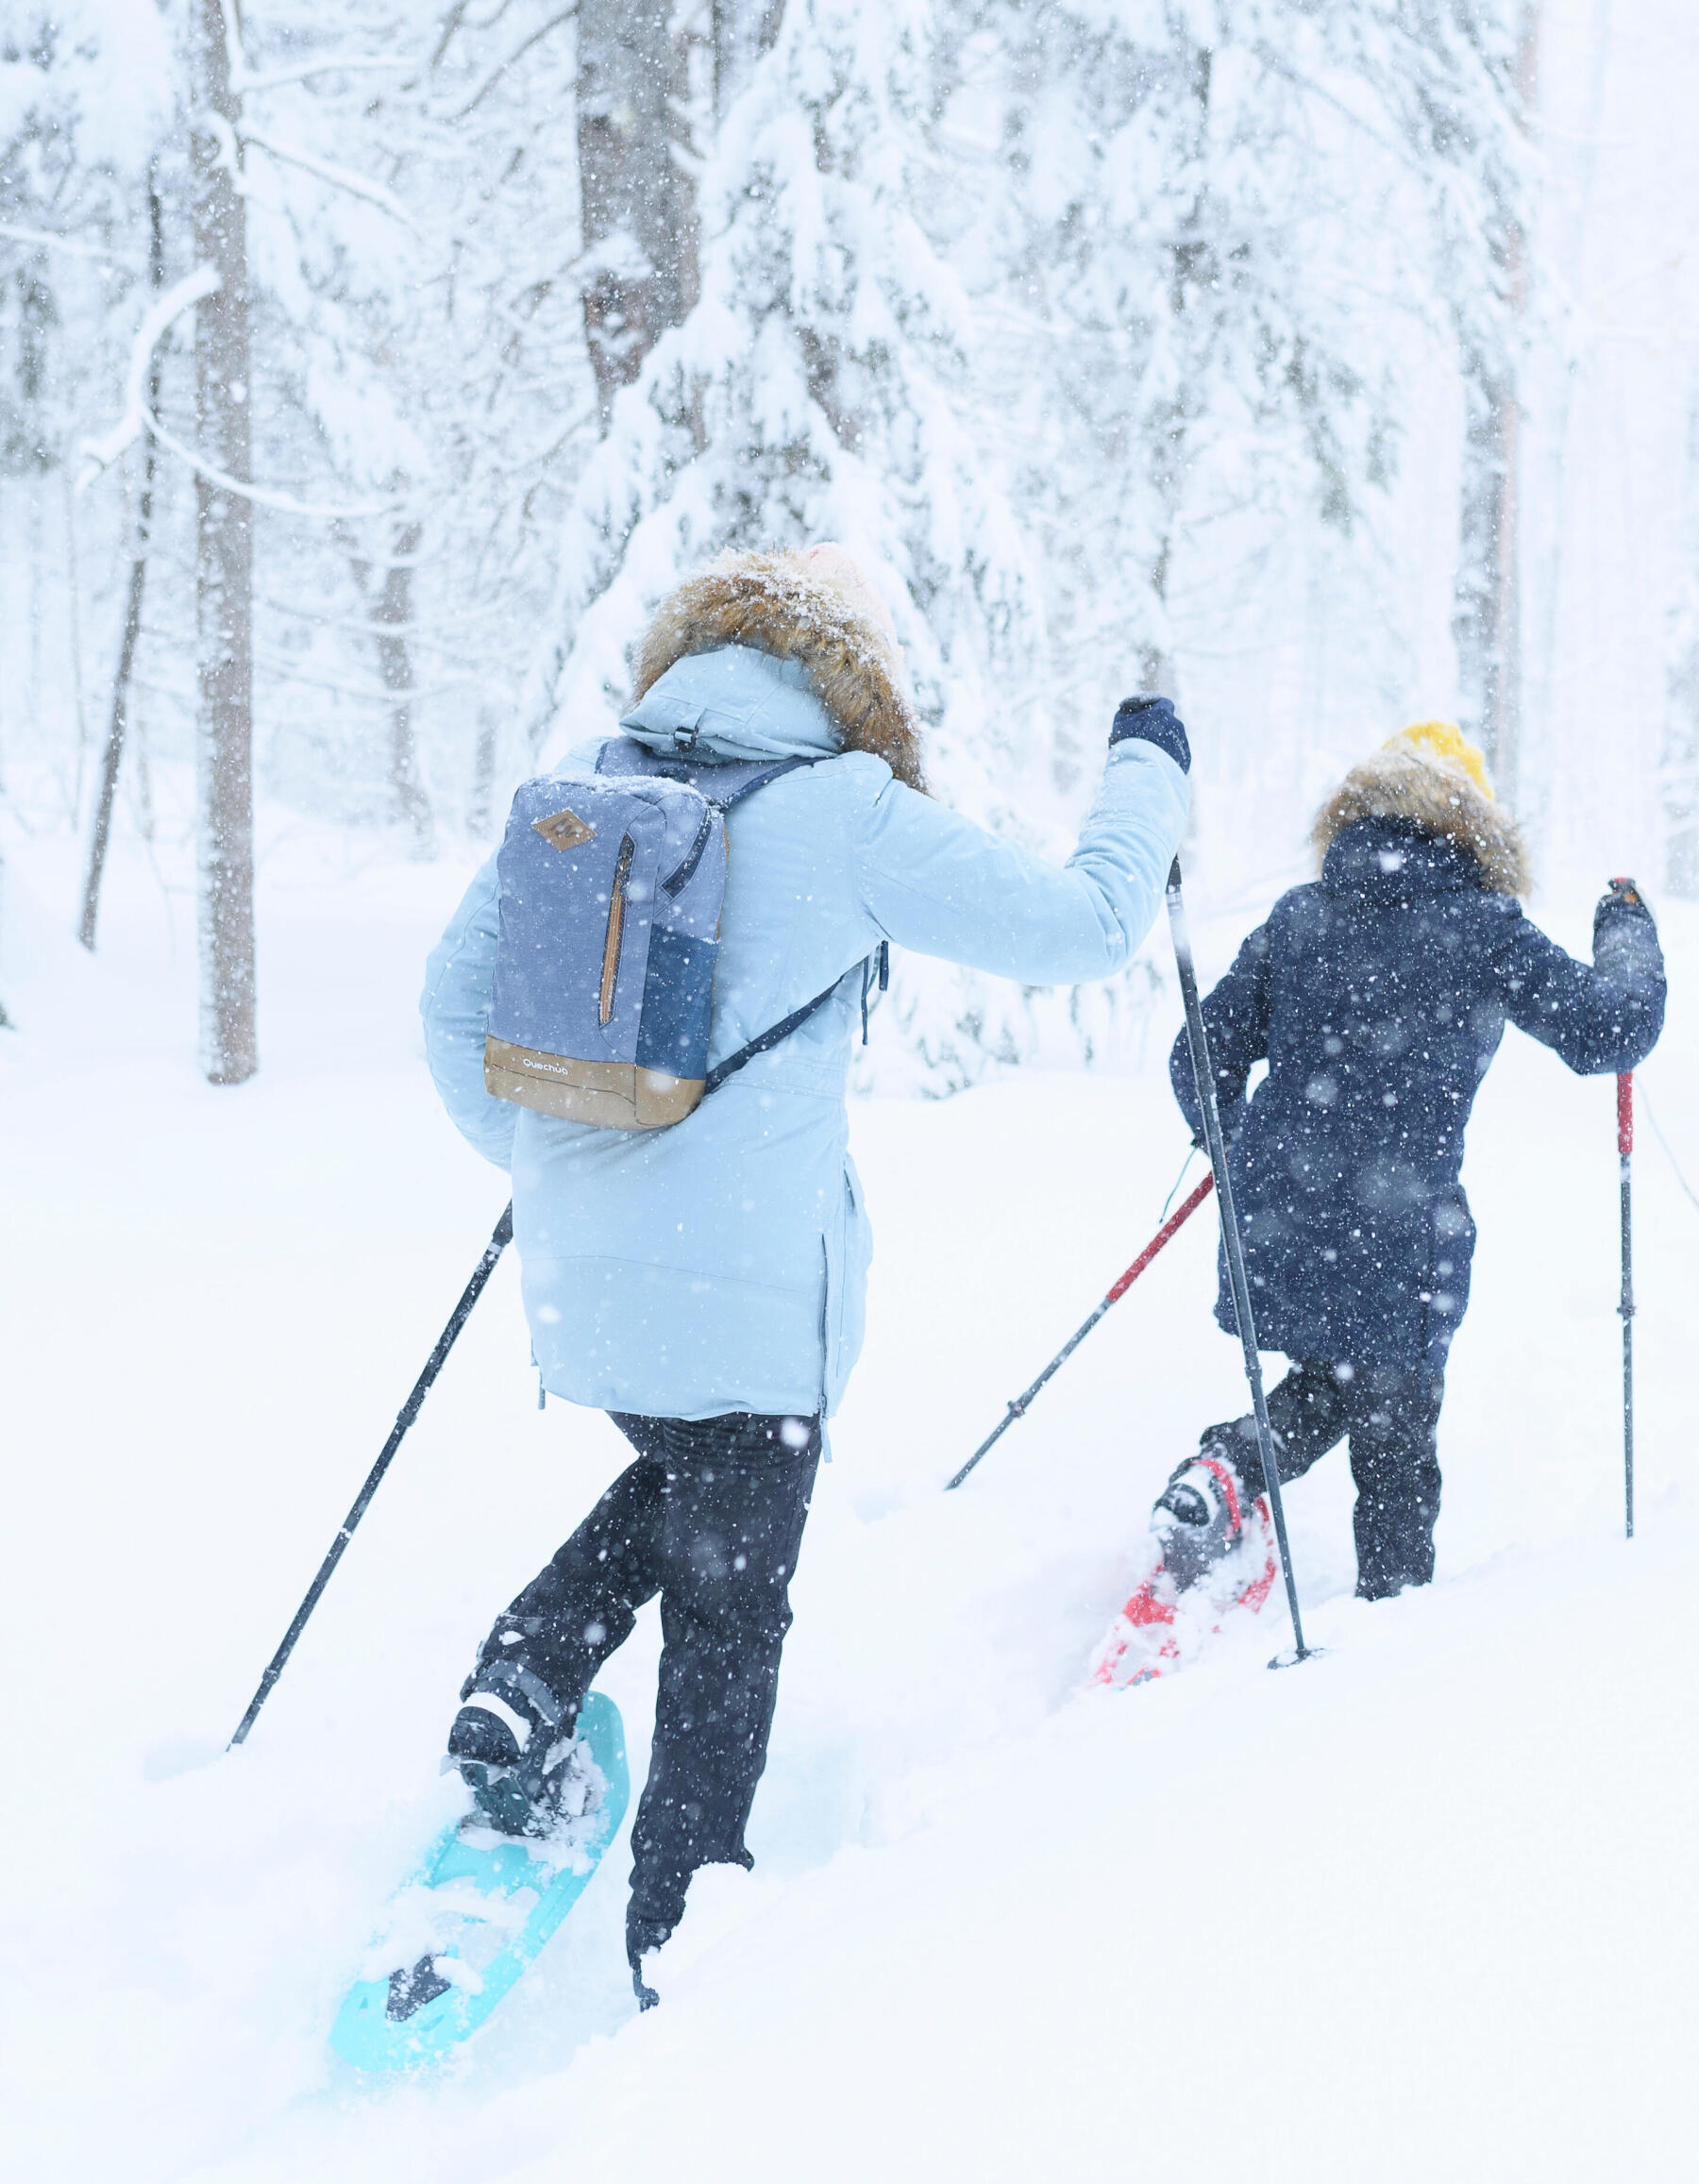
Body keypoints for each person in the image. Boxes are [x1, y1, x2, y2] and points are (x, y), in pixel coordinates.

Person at [420, 545, 1192, 1999]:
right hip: (750, 1297)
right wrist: (1149, 770)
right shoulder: (846, 813)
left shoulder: (592, 780)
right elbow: (1091, 926)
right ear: (852, 671)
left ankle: (524, 1674)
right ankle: (682, 1936)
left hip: (588, 1289)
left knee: (692, 1482)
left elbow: (449, 1008)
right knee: (730, 1599)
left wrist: (548, 1166)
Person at [1148, 720, 1666, 1604]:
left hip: (1276, 1218)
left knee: (1333, 1382)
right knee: (1392, 1443)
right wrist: (1626, 933)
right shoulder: (1483, 925)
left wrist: (1242, 1151)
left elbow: (1198, 1057)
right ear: (1473, 826)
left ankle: (1227, 1472)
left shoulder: (1301, 916)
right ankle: (1388, 1639)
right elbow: (1612, 1029)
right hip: (1396, 1236)